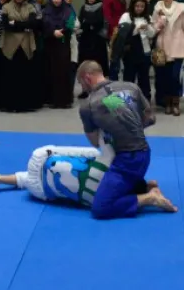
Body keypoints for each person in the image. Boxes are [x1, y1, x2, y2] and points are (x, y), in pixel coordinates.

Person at [74, 61, 177, 219]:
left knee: (101, 207)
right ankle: (145, 186)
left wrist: (112, 129)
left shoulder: (88, 105)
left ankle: (149, 198)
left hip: (127, 160)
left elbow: (95, 142)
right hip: (144, 154)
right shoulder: (131, 87)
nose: (83, 88)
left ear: (87, 78)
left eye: (81, 83)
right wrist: (129, 127)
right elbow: (151, 118)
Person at [0, 144, 157, 205]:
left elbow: (83, 152)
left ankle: (0, 177)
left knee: (85, 154)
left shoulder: (107, 163)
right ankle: (0, 178)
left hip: (41, 157)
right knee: (31, 180)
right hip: (40, 191)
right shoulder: (103, 199)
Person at [0, 0, 42, 113]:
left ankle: (25, 104)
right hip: (10, 45)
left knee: (25, 75)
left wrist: (16, 23)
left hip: (26, 45)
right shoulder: (6, 7)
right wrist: (24, 25)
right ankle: (10, 104)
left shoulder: (30, 7)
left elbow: (33, 23)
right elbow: (6, 26)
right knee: (11, 75)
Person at [152, 0, 184, 116]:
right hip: (163, 45)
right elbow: (153, 27)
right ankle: (167, 103)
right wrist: (160, 22)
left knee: (175, 76)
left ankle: (176, 103)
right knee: (165, 77)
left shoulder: (181, 8)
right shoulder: (158, 8)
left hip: (178, 44)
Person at [116, 0, 156, 102]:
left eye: (142, 6)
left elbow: (152, 34)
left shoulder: (148, 17)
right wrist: (136, 30)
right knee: (129, 77)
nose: (139, 8)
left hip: (145, 51)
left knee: (144, 78)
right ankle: (127, 101)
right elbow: (122, 34)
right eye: (137, 6)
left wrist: (147, 27)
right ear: (133, 5)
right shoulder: (126, 16)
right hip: (130, 52)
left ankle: (145, 101)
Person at [42, 0, 75, 109]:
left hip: (63, 44)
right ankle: (52, 99)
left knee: (63, 71)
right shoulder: (46, 11)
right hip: (50, 45)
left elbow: (70, 25)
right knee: (51, 71)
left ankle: (64, 100)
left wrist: (61, 32)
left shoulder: (68, 11)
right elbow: (43, 26)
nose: (56, 0)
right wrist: (53, 32)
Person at [76, 0, 109, 75]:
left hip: (98, 41)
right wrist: (88, 25)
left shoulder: (102, 8)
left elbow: (102, 23)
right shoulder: (84, 8)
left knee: (98, 66)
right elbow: (81, 23)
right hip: (85, 40)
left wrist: (89, 24)